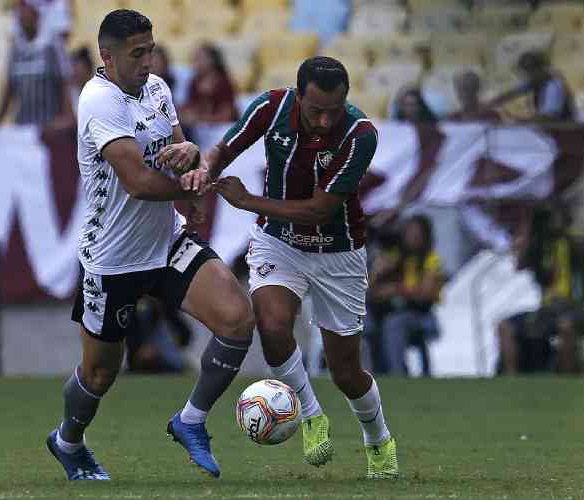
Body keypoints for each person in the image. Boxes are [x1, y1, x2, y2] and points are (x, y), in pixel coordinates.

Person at [45, 9, 254, 481]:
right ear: (107, 55)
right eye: (137, 53)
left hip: (165, 243)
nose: (147, 60)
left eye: (151, 49)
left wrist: (192, 163)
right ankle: (68, 441)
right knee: (99, 375)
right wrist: (192, 189)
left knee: (238, 320)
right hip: (113, 258)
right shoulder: (99, 101)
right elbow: (138, 182)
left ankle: (191, 420)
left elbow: (179, 152)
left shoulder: (157, 89)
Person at [208, 56, 399, 479]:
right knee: (273, 327)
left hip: (339, 252)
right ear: (298, 96)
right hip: (279, 243)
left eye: (336, 108)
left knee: (346, 372)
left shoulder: (360, 134)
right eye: (316, 110)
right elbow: (224, 148)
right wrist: (201, 175)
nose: (326, 119)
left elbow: (319, 210)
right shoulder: (270, 108)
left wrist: (248, 202)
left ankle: (379, 441)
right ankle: (311, 416)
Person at [497, 203, 584, 375]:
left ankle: (567, 379)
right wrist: (532, 233)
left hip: (582, 307)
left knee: (565, 326)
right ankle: (511, 380)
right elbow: (519, 264)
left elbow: (582, 247)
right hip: (549, 310)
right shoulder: (541, 247)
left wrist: (561, 232)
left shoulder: (576, 241)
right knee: (505, 326)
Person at [368, 214, 444, 376]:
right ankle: (369, 373)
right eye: (409, 232)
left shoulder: (431, 259)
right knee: (365, 321)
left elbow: (425, 294)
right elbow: (369, 291)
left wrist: (395, 289)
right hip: (390, 310)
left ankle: (397, 373)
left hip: (421, 315)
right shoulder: (396, 256)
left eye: (417, 233)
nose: (413, 237)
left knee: (394, 323)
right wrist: (376, 272)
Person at [0, 0, 74, 129]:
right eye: (20, 10)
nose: (21, 14)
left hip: (48, 129)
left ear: (37, 15)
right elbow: (9, 88)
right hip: (22, 128)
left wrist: (66, 119)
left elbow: (64, 85)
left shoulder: (53, 47)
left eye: (26, 10)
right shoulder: (16, 49)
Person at [486, 51, 575, 122]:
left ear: (539, 69)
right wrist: (488, 105)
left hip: (562, 131)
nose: (526, 77)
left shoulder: (553, 86)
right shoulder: (536, 81)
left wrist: (516, 119)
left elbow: (547, 118)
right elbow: (512, 93)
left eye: (528, 73)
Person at [179, 43, 238, 127]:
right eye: (194, 59)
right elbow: (189, 107)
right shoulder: (194, 81)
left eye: (199, 58)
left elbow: (227, 115)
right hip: (201, 130)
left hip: (222, 130)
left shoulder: (223, 82)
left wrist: (200, 118)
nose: (195, 62)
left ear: (212, 60)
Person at [69, 46, 93, 115]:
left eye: (77, 69)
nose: (73, 72)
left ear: (88, 70)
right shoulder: (70, 93)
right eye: (72, 68)